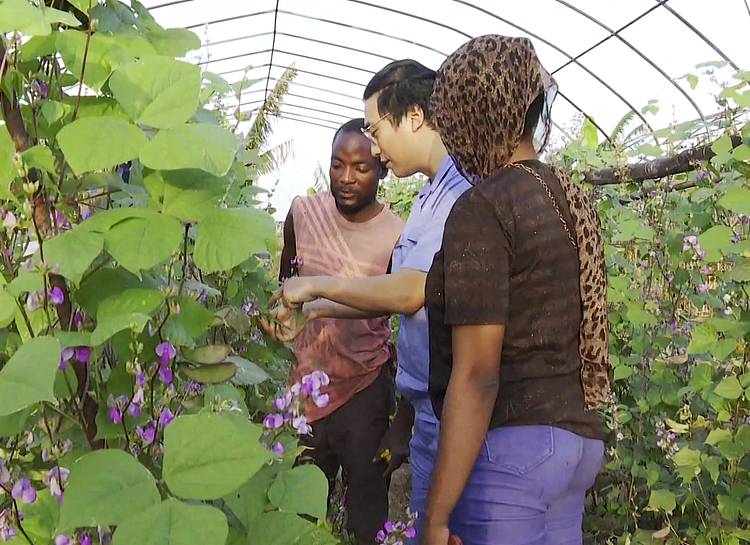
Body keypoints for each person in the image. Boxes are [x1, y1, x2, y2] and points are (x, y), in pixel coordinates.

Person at [420, 35, 611, 545]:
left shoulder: (484, 207)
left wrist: (435, 515)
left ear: (473, 113)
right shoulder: (569, 198)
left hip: (513, 455)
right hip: (575, 446)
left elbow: (478, 375)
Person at [272, 59, 471, 536]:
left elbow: (408, 292)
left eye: (376, 131)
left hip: (437, 406)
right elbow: (385, 298)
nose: (375, 147)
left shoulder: (458, 195)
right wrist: (312, 307)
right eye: (339, 163)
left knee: (387, 515)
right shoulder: (428, 197)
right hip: (421, 406)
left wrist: (317, 286)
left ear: (415, 117)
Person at [262, 118, 404, 545]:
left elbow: (395, 302)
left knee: (366, 514)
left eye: (360, 168)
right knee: (298, 513)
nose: (346, 178)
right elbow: (286, 285)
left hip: (364, 390)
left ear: (380, 169)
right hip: (304, 389)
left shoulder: (397, 235)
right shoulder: (303, 214)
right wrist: (278, 320)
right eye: (337, 164)